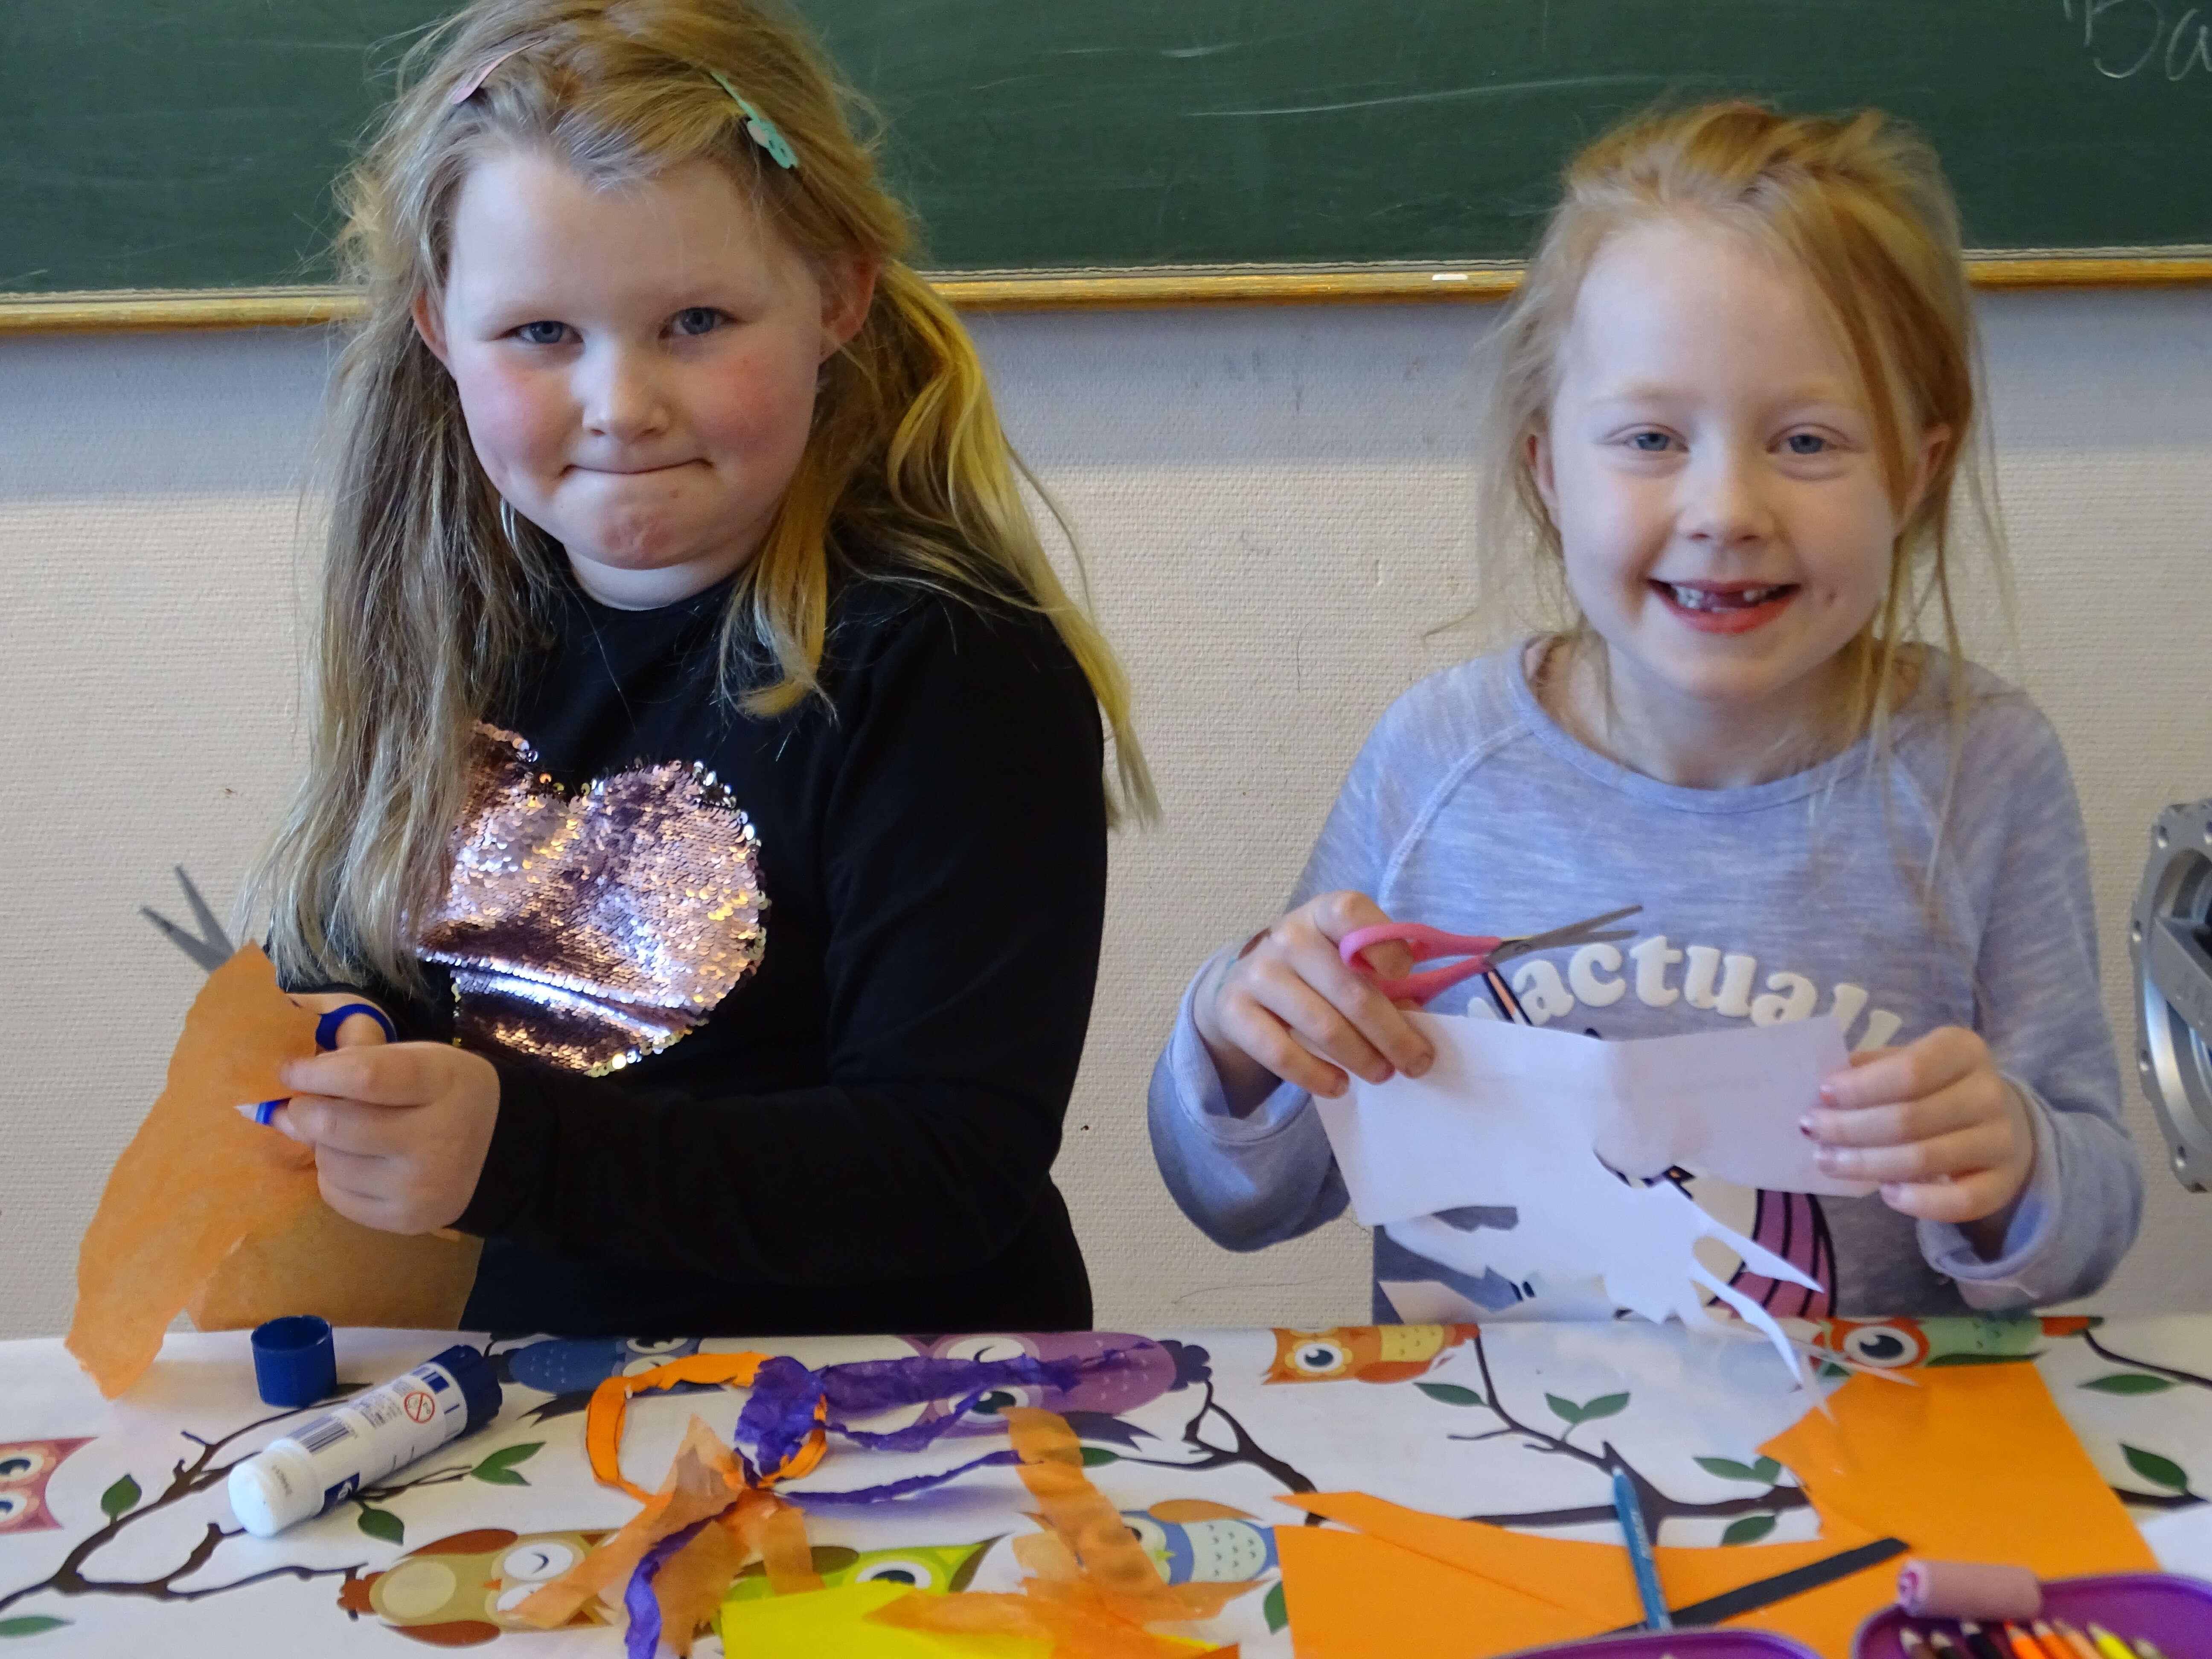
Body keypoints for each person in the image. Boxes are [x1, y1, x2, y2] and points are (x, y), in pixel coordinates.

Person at [248, 0, 1153, 1336]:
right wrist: (346, 1039)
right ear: (440, 331)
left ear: (836, 296)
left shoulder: (949, 664)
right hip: (545, 1392)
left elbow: (950, 1166)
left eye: (695, 320)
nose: (622, 405)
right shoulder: (455, 625)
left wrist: (514, 1149)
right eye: (540, 333)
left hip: (900, 1403)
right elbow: (366, 960)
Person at [1150, 102, 2139, 1323]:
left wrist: (2016, 1163)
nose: (1727, 508)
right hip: (1477, 1432)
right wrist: (1238, 1033)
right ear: (1549, 472)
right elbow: (1248, 1197)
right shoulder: (1440, 761)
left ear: (1915, 473)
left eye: (1809, 441)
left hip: (1862, 1434)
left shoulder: (1985, 769)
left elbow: (2084, 1228)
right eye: (1653, 438)